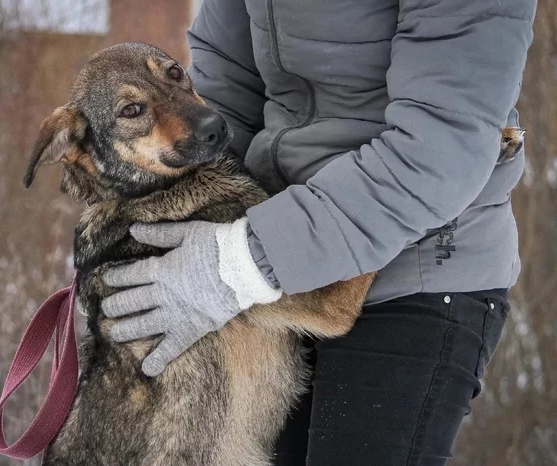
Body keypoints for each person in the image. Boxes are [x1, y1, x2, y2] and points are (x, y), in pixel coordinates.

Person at [99, 0, 537, 464]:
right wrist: (154, 236)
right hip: (279, 263)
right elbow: (227, 98)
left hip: (419, 263)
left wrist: (234, 265)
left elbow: (439, 149)